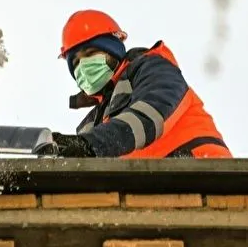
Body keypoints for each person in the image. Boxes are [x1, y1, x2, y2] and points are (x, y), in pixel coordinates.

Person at [47, 9, 232, 159]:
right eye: (76, 63)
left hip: (204, 174)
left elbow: (148, 116)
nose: (84, 66)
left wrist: (89, 144)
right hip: (156, 190)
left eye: (90, 53)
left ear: (113, 50)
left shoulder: (153, 69)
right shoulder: (95, 122)